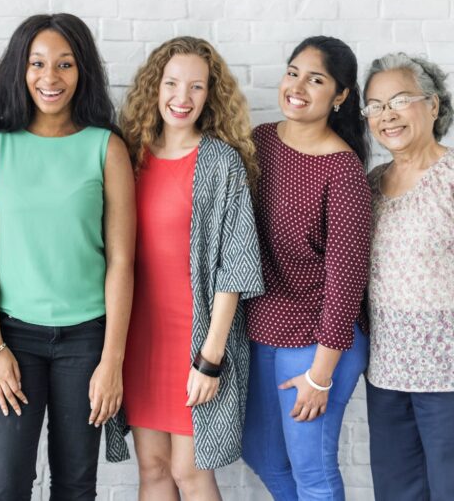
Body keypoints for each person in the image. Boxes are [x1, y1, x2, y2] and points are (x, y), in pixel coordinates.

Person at [0, 13, 135, 500]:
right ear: (21, 70)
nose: (50, 77)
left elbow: (122, 261)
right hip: (13, 336)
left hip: (86, 341)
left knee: (77, 484)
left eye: (64, 64)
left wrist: (112, 361)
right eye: (37, 63)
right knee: (6, 483)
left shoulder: (106, 148)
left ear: (82, 72)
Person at [118, 37, 263, 498]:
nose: (182, 98)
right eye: (172, 84)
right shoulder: (127, 155)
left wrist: (210, 359)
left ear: (210, 95)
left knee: (192, 473)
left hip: (197, 339)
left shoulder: (221, 162)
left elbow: (235, 266)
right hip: (138, 336)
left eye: (196, 87)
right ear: (154, 87)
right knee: (153, 469)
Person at [241, 36, 372, 500]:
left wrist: (320, 375)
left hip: (320, 339)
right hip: (264, 330)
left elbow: (346, 283)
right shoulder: (259, 141)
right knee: (262, 455)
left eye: (315, 79)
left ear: (340, 97)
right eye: (293, 72)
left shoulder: (344, 171)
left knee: (312, 470)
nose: (297, 86)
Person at [361, 53, 454, 501]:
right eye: (375, 106)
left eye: (399, 100)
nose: (386, 115)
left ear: (433, 106)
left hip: (448, 378)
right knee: (396, 493)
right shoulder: (372, 183)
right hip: (387, 373)